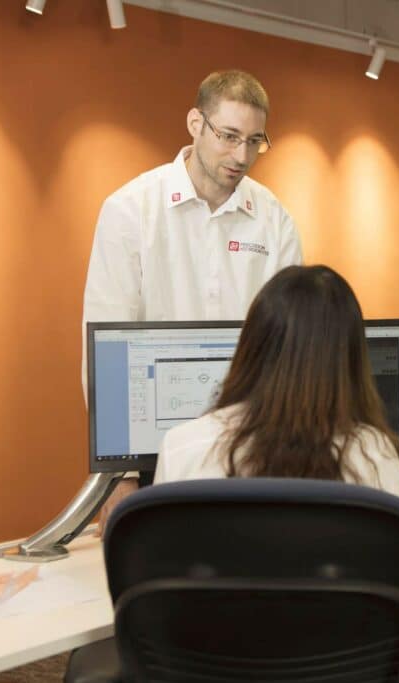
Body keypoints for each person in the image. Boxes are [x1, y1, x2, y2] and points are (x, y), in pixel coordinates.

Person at [84, 70, 303, 523]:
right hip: (154, 455)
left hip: (252, 452)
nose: (241, 155)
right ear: (194, 123)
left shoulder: (274, 220)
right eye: (228, 136)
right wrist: (118, 475)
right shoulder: (131, 211)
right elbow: (103, 346)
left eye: (254, 141)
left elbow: (290, 345)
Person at [152, 265, 399, 500]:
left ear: (251, 346)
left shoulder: (181, 448)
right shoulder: (372, 454)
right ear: (350, 360)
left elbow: (160, 551)